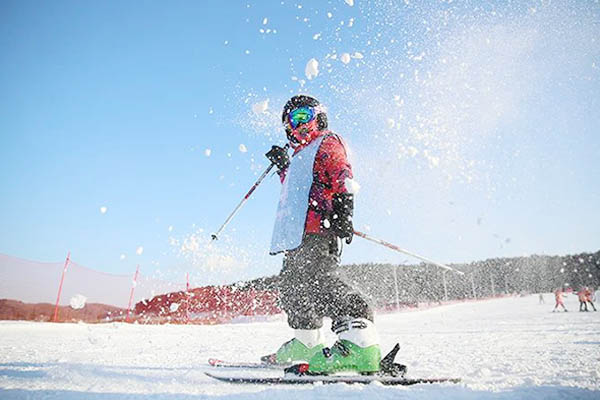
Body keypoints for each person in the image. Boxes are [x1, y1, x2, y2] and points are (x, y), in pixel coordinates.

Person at [261, 95, 381, 374]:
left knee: (320, 283)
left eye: (305, 116)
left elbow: (341, 172)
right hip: (296, 236)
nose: (300, 124)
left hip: (319, 231)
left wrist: (343, 208)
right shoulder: (299, 156)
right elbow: (297, 188)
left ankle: (360, 342)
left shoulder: (327, 143)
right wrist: (283, 167)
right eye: (293, 120)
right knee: (293, 288)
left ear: (319, 117)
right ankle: (307, 342)